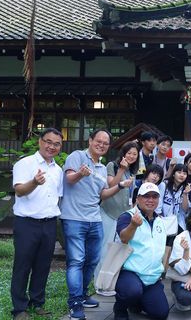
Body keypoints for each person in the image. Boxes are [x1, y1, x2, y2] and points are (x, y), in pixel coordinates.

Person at [61, 129, 123, 320]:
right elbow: (68, 179)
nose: (102, 145)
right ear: (90, 140)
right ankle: (75, 303)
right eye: (99, 141)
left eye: (105, 143)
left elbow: (102, 195)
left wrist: (120, 186)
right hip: (73, 218)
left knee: (93, 260)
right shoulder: (77, 156)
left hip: (94, 219)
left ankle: (83, 294)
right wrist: (80, 173)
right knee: (76, 261)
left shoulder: (102, 168)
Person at [10, 128, 63, 320]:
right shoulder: (25, 164)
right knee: (22, 265)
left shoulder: (58, 170)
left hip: (49, 223)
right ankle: (19, 309)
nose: (51, 146)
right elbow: (20, 191)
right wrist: (34, 182)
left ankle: (37, 302)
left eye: (56, 144)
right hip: (27, 223)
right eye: (48, 141)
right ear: (40, 141)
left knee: (43, 265)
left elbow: (58, 196)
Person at [114, 182, 169, 320]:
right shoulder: (127, 216)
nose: (150, 200)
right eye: (146, 196)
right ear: (138, 198)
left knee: (161, 314)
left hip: (152, 277)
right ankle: (120, 308)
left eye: (154, 197)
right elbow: (124, 238)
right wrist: (133, 225)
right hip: (130, 272)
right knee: (131, 291)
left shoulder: (159, 220)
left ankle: (136, 303)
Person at [96, 141, 139, 296]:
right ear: (123, 153)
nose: (132, 156)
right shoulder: (112, 166)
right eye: (129, 153)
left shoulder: (132, 171)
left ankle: (110, 282)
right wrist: (121, 169)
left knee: (117, 251)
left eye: (135, 154)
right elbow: (111, 185)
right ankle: (99, 285)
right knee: (103, 250)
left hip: (123, 216)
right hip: (109, 213)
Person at [157, 163, 188, 270]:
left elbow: (184, 209)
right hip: (161, 218)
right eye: (179, 172)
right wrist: (158, 215)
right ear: (173, 174)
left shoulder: (184, 188)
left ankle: (164, 267)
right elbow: (159, 201)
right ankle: (161, 267)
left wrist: (185, 194)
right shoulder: (163, 185)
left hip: (175, 221)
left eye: (184, 173)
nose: (182, 175)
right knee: (164, 241)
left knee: (176, 238)